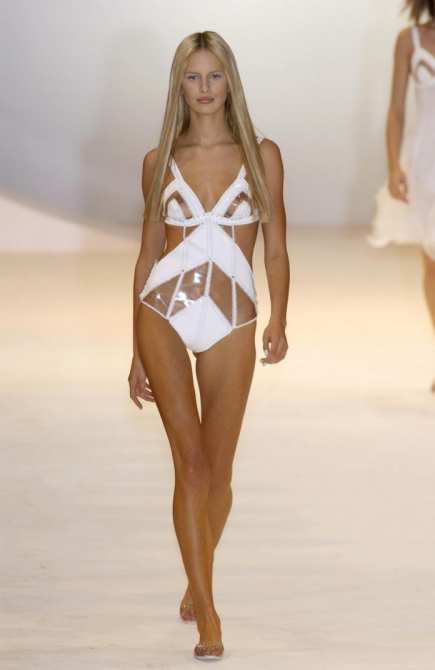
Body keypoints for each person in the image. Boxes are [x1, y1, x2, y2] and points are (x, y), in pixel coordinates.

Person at [128, 31, 290, 660]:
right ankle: (209, 613)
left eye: (214, 76)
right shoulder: (158, 160)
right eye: (192, 77)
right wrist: (135, 350)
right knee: (190, 466)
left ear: (230, 82)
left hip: (233, 317)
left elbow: (274, 249)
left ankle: (196, 576)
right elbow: (148, 254)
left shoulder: (262, 155)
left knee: (219, 475)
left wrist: (279, 319)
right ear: (179, 85)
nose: (204, 88)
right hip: (163, 312)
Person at [369, 0, 435, 390]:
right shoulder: (409, 40)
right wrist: (394, 165)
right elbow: (396, 110)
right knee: (433, 263)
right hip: (426, 165)